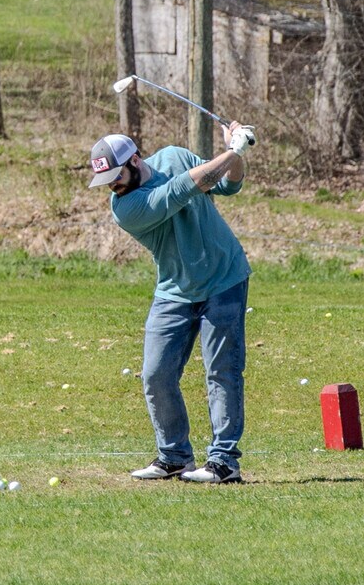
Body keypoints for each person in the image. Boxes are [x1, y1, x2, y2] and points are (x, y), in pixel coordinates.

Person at [87, 124, 256, 484]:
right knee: (156, 373)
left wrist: (234, 154)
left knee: (222, 372)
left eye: (117, 176)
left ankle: (224, 462)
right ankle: (174, 455)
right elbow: (181, 190)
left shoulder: (174, 156)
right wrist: (232, 153)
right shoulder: (125, 207)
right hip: (174, 290)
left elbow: (228, 183)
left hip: (224, 277)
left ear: (135, 160)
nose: (113, 186)